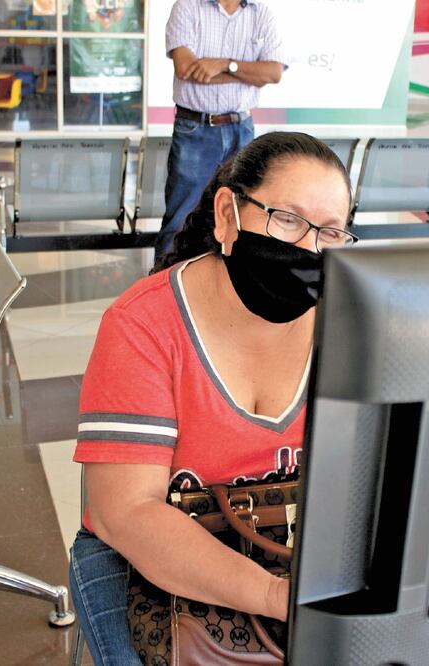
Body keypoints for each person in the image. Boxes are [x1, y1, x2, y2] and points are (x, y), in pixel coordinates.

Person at [69, 132, 356, 664]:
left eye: (331, 231)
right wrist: (274, 596)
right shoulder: (143, 327)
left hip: (289, 535)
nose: (307, 249)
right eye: (287, 219)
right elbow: (126, 511)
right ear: (228, 214)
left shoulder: (347, 320)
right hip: (146, 554)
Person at [153, 0, 288, 264]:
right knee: (181, 218)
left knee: (242, 214)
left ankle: (228, 285)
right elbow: (185, 68)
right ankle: (161, 287)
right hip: (196, 128)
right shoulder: (188, 7)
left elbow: (273, 72)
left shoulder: (261, 13)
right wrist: (250, 72)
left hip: (242, 128)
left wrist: (224, 65)